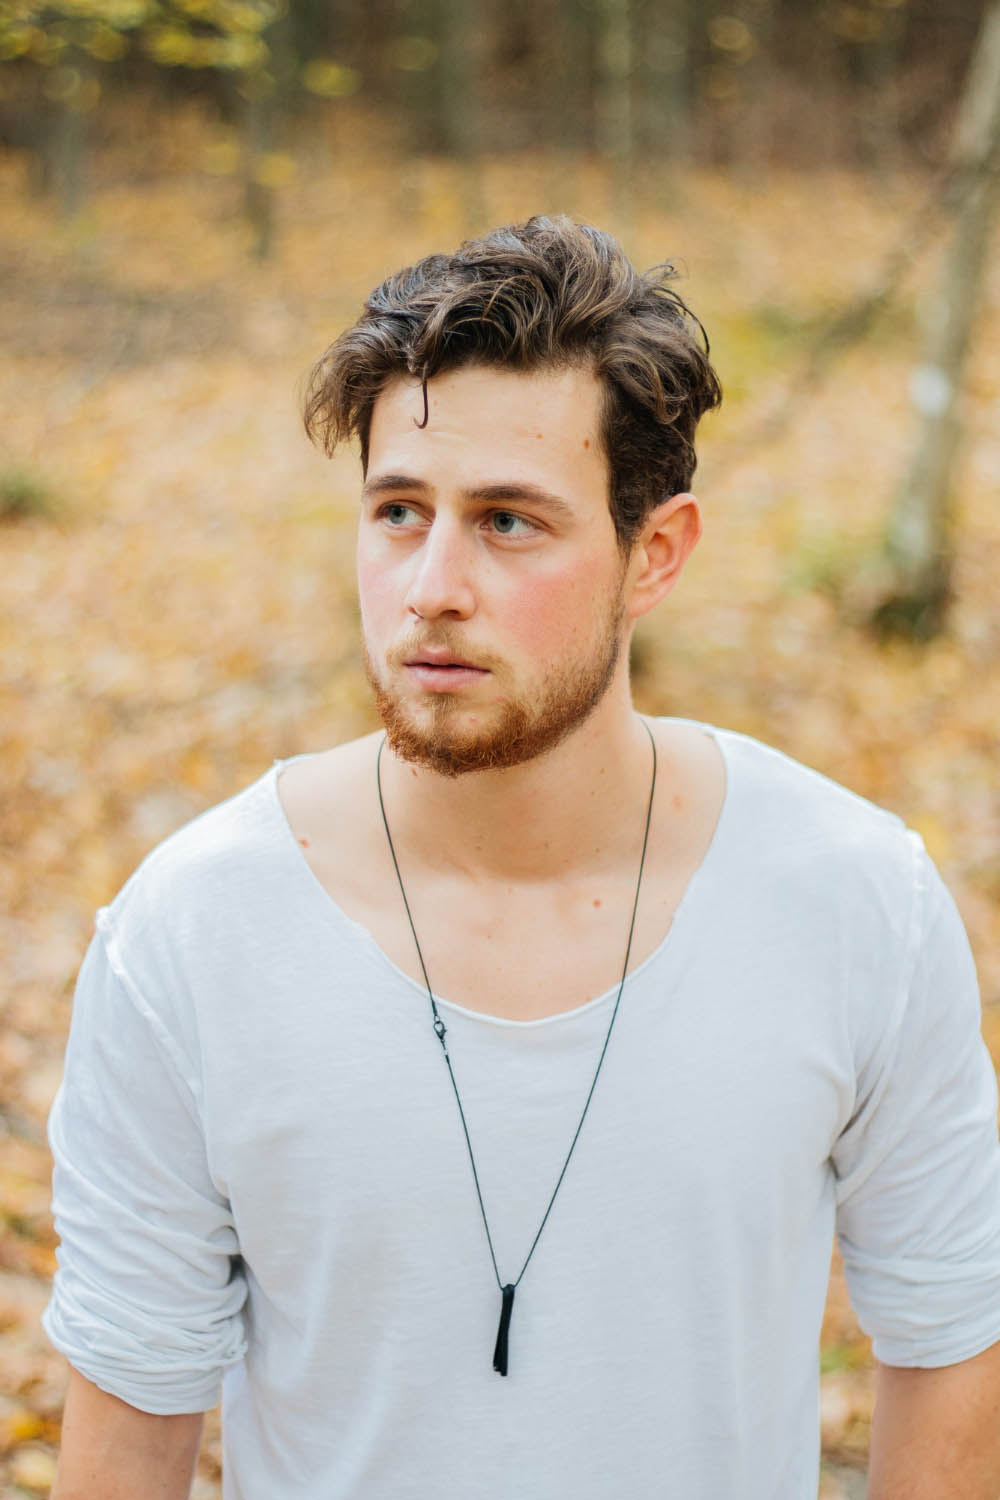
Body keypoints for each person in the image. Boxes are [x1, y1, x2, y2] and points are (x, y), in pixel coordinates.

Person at [44, 215, 1000, 1500]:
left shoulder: (849, 897)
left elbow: (953, 1335)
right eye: (398, 512)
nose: (432, 584)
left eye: (507, 522)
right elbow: (130, 1420)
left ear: (652, 554)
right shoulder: (193, 933)